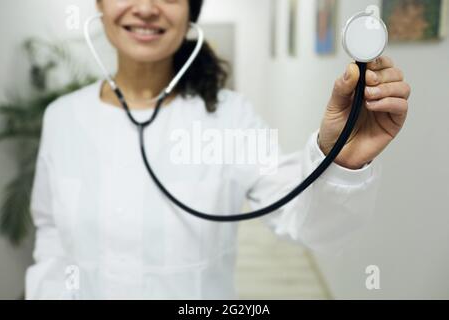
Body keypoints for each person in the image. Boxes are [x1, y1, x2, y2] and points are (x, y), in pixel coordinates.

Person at [25, 0, 411, 299]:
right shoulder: (62, 117)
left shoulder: (231, 117)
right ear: (99, 4)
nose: (145, 8)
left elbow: (311, 226)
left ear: (190, 12)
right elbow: (50, 231)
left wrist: (340, 160)